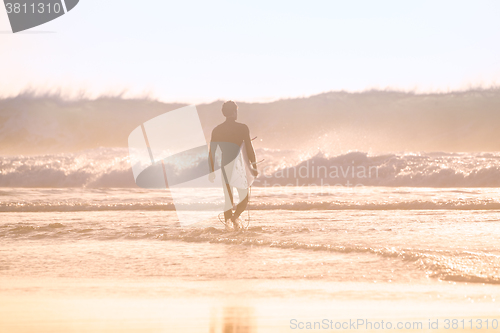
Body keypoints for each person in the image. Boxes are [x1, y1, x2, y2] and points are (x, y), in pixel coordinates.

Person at [208, 101, 258, 229]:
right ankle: (235, 218)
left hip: (225, 167)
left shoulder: (217, 130)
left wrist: (211, 171)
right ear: (235, 112)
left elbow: (212, 152)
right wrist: (254, 166)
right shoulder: (242, 128)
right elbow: (249, 147)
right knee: (244, 198)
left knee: (228, 200)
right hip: (239, 167)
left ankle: (228, 228)